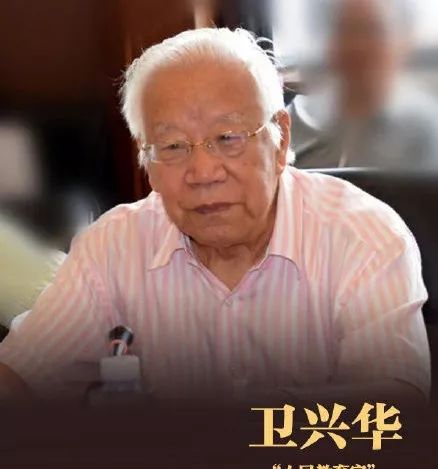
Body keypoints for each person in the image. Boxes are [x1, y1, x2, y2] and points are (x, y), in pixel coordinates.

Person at [0, 27, 430, 401]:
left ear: (281, 139)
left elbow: (392, 407)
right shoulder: (112, 246)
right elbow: (21, 375)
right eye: (173, 146)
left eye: (228, 138)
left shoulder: (363, 235)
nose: (203, 172)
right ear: (145, 161)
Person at [289, 0, 438, 170]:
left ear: (403, 43)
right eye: (346, 30)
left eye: (372, 31)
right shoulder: (295, 120)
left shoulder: (426, 130)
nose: (358, 46)